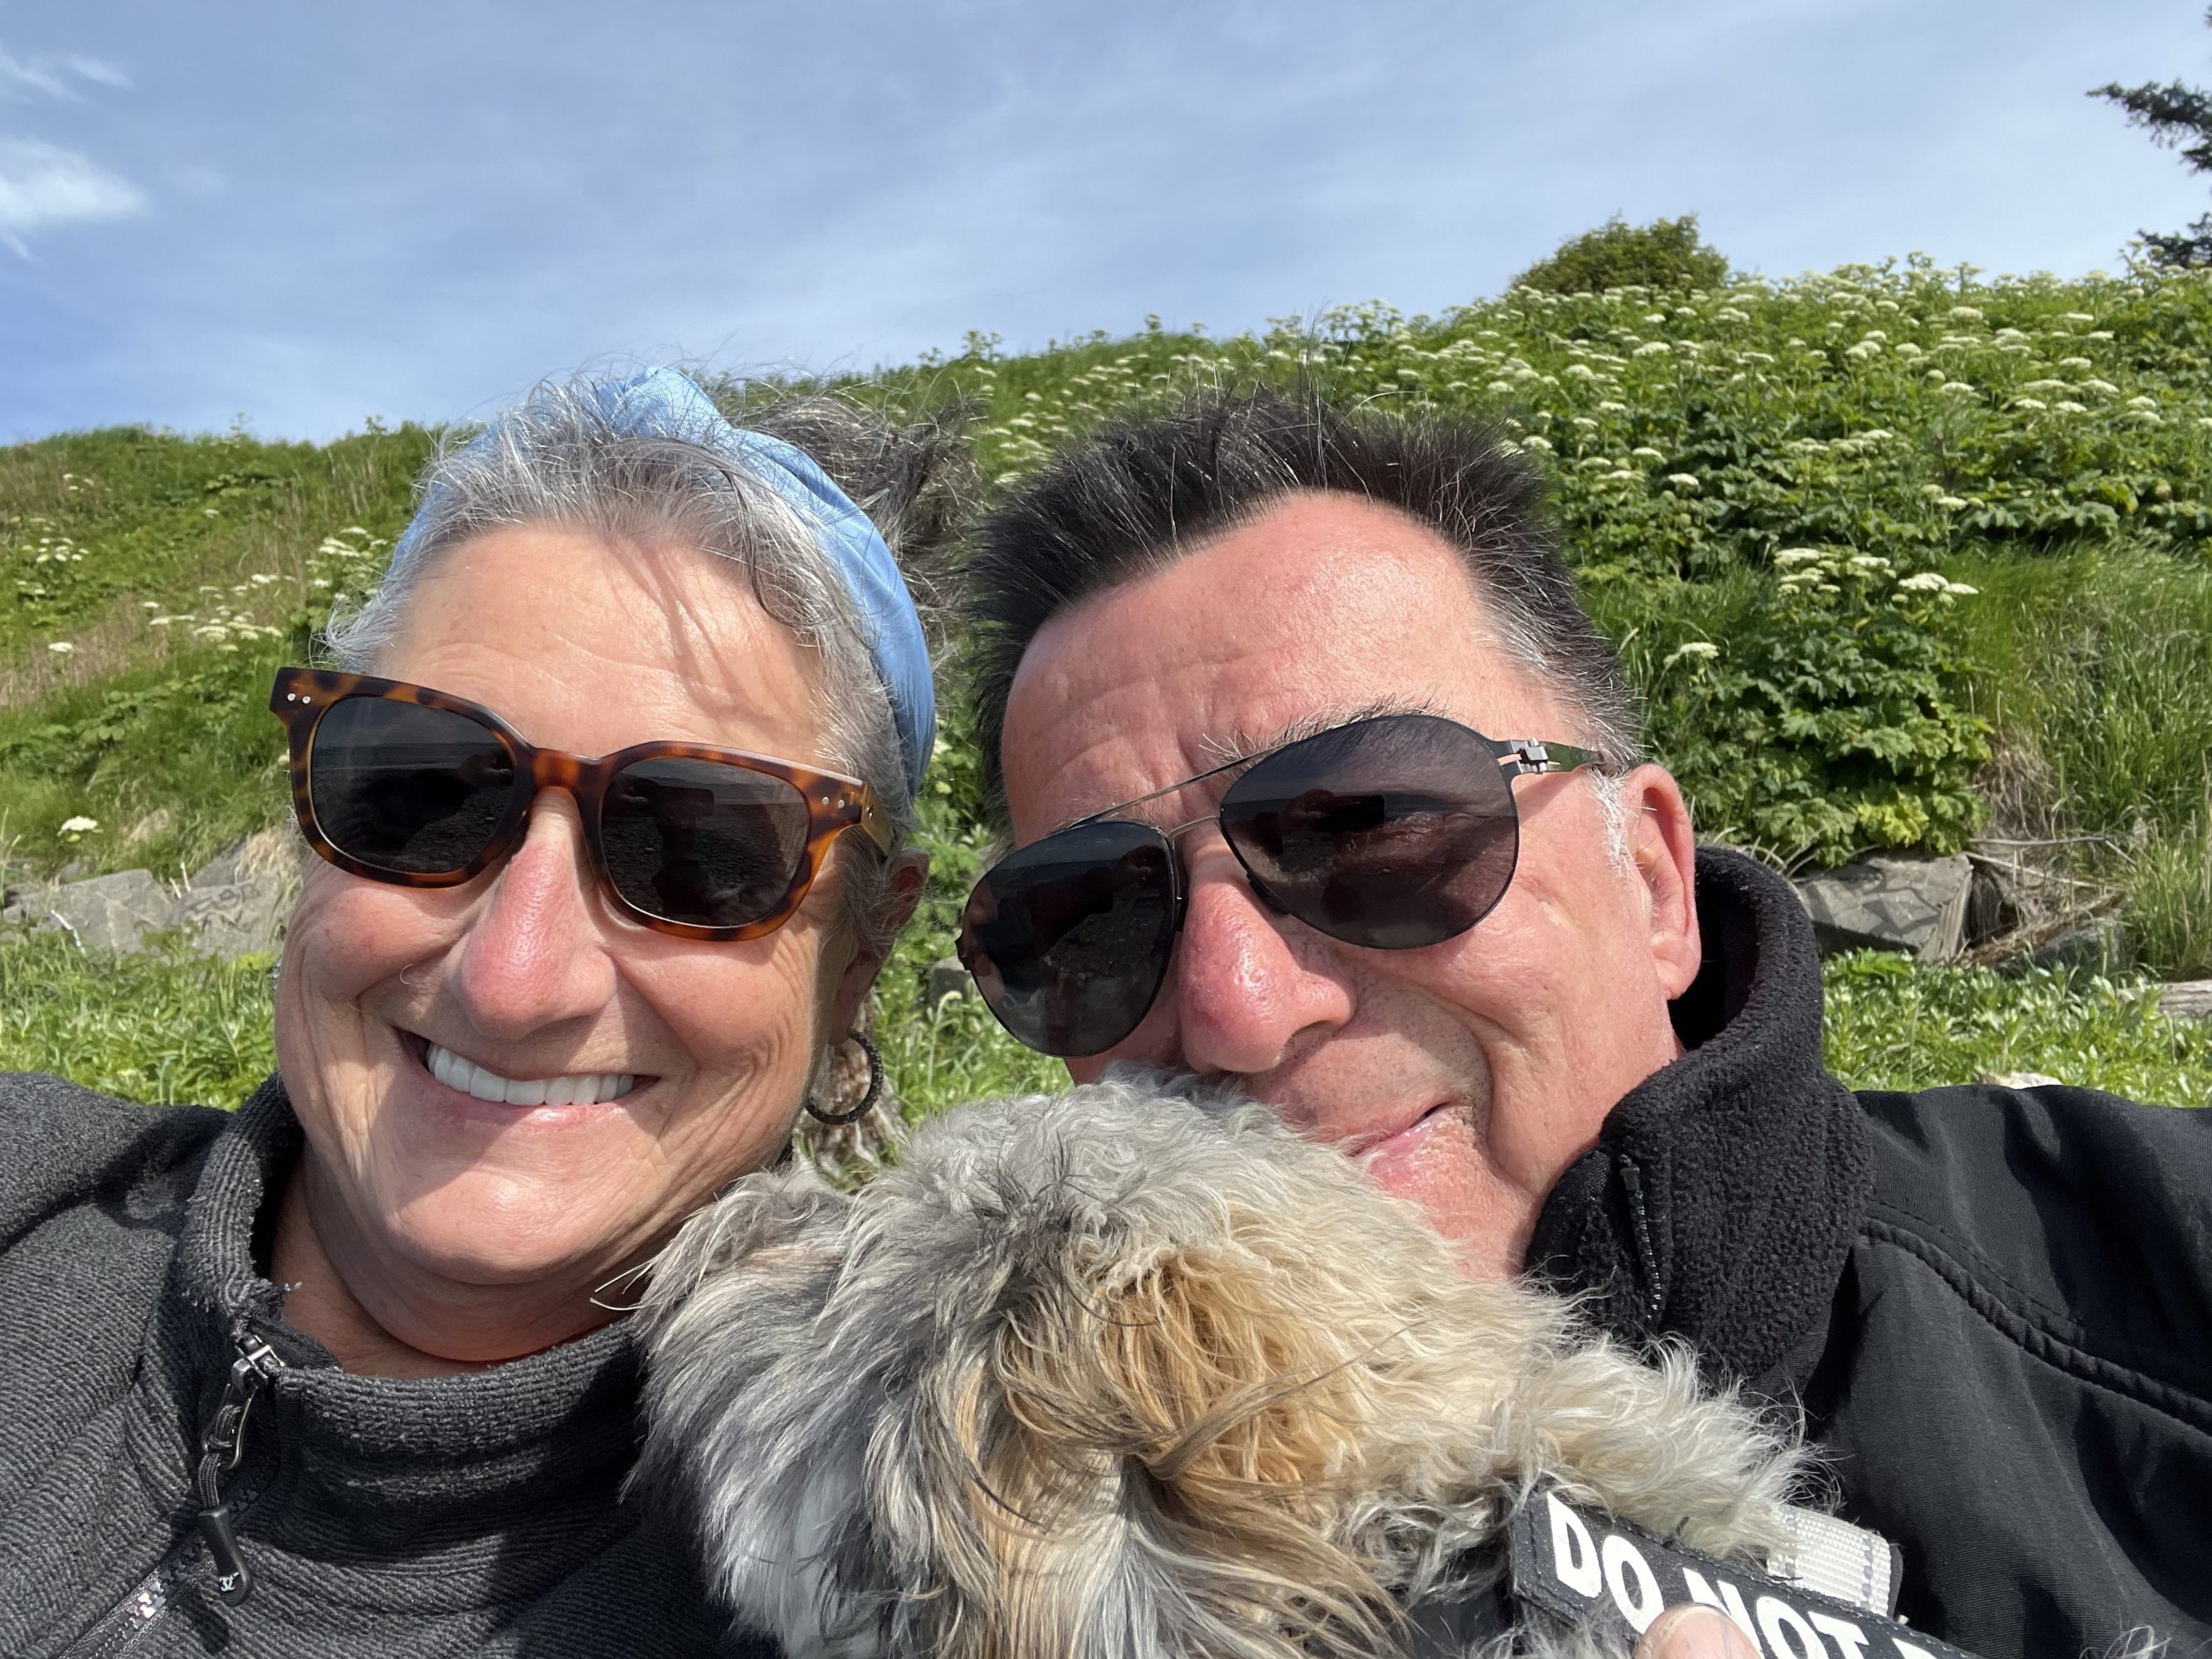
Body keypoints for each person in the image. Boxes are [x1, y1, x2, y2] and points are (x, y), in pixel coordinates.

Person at [953, 387, 2212, 1659]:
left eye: (1371, 824)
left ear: (1654, 881)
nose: (1238, 1010)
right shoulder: (952, 1530)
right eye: (1087, 917)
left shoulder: (2159, 1270)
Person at [0, 367, 958, 1653]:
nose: (514, 980)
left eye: (699, 849)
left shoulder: (913, 1571)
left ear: (861, 953)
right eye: (420, 790)